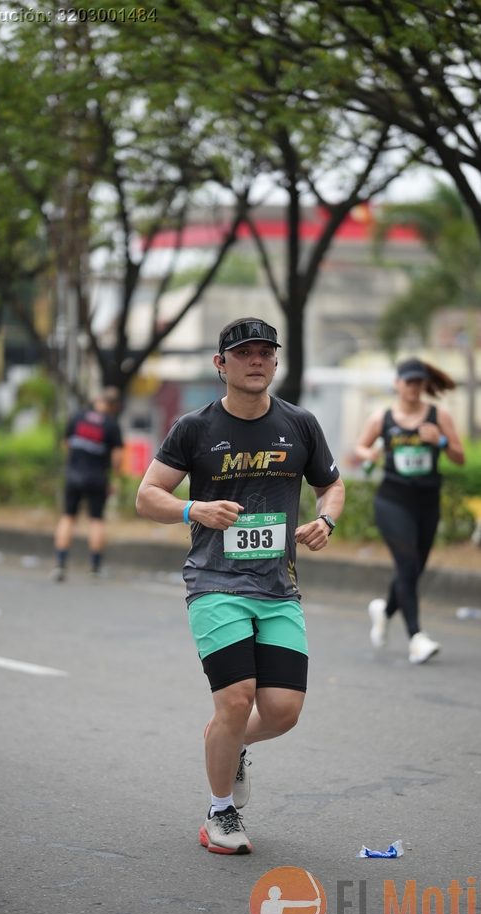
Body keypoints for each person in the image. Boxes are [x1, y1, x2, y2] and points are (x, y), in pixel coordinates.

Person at [136, 317, 345, 855]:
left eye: (265, 352)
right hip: (215, 582)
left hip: (278, 586)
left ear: (275, 361)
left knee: (282, 711)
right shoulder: (195, 428)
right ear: (220, 363)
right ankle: (220, 813)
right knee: (236, 698)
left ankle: (228, 744)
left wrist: (326, 520)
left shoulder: (300, 424)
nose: (256, 360)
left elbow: (332, 485)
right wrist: (194, 508)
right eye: (244, 352)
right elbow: (147, 495)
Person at [355, 358, 465, 664]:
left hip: (427, 503)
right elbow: (360, 447)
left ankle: (385, 611)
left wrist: (440, 440)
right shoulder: (382, 417)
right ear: (398, 384)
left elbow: (460, 457)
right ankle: (417, 637)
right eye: (409, 382)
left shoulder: (438, 416)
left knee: (414, 569)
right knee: (406, 566)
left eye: (419, 382)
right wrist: (369, 453)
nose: (414, 387)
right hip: (393, 500)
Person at [52, 386, 123, 581]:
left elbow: (66, 444)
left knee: (68, 517)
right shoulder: (111, 425)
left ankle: (60, 564)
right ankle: (95, 568)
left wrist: (76, 462)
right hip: (97, 478)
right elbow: (117, 456)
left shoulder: (77, 417)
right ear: (114, 405)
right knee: (96, 520)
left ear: (99, 399)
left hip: (73, 476)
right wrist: (115, 477)